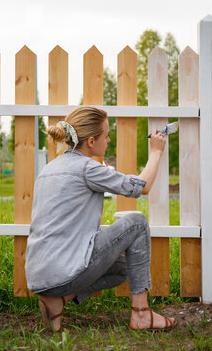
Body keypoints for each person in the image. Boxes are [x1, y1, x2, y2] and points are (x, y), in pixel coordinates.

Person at [25, 106, 176, 332]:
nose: (109, 139)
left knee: (125, 269)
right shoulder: (87, 167)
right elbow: (141, 187)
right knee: (137, 222)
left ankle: (59, 300)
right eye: (106, 135)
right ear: (92, 141)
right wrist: (156, 151)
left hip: (40, 275)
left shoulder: (49, 168)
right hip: (65, 272)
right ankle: (142, 314)